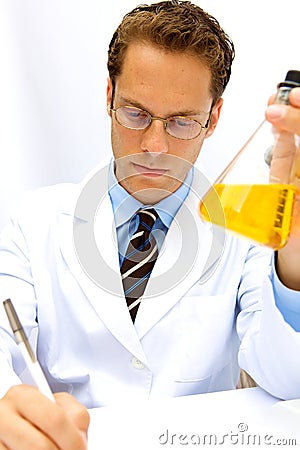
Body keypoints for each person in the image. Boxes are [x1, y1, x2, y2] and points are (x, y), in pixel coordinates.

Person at [0, 0, 299, 448]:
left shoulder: (244, 234)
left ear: (213, 118)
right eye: (136, 113)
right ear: (109, 97)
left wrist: (293, 251)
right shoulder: (32, 221)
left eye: (181, 122)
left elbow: (286, 378)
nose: (154, 145)